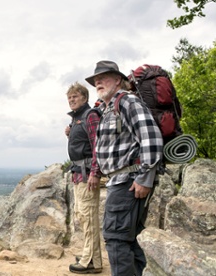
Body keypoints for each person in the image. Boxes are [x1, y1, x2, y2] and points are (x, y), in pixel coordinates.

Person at [85, 60, 163, 276]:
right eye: (95, 80)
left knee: (116, 239)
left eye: (103, 78)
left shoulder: (127, 102)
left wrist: (145, 178)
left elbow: (152, 138)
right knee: (130, 238)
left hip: (127, 183)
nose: (98, 82)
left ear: (118, 80)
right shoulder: (110, 108)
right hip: (120, 181)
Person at [65, 82, 103, 274]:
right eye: (69, 97)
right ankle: (91, 256)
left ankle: (92, 262)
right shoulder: (77, 119)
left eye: (75, 96)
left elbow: (98, 146)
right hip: (79, 174)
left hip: (88, 174)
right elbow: (82, 146)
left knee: (88, 217)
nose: (71, 100)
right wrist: (70, 135)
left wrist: (95, 173)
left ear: (85, 98)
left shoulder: (90, 115)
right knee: (83, 215)